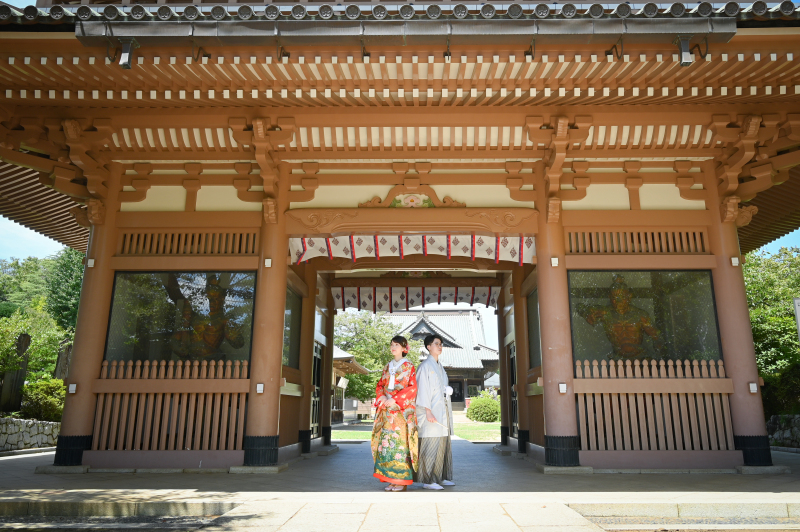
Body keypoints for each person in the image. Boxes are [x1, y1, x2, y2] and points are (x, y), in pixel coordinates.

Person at [371, 335, 419, 491]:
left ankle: (402, 481)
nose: (393, 347)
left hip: (400, 412)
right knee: (387, 444)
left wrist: (396, 399)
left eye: (397, 345)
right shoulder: (387, 366)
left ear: (404, 348)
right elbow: (380, 385)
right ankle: (391, 479)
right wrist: (383, 396)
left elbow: (412, 388)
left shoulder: (409, 366)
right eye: (392, 344)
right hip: (387, 411)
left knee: (400, 444)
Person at [414, 333, 455, 490]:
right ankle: (428, 480)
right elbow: (422, 390)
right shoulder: (425, 366)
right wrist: (427, 411)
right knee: (430, 445)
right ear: (428, 347)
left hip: (441, 410)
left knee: (442, 444)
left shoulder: (439, 366)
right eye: (436, 344)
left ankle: (440, 477)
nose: (440, 346)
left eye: (441, 344)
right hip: (429, 412)